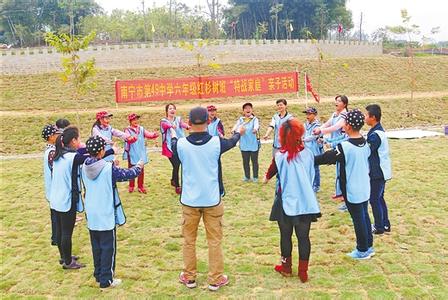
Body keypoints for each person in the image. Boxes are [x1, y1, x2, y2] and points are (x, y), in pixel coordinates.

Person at [170, 106, 244, 291]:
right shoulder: (216, 143)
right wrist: (238, 133)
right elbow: (232, 141)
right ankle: (215, 278)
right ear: (208, 121)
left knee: (189, 240)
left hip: (189, 201)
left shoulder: (181, 144)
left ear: (189, 124)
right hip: (212, 200)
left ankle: (189, 277)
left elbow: (172, 144)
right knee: (215, 241)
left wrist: (172, 132)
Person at [264, 118, 321, 283]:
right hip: (305, 200)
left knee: (285, 235)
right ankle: (303, 272)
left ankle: (287, 268)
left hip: (285, 201)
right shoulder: (308, 154)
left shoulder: (280, 156)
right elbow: (311, 175)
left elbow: (272, 171)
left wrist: (266, 177)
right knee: (304, 237)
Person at [82, 136, 143, 289]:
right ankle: (106, 280)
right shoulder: (108, 169)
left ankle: (98, 274)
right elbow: (128, 174)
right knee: (108, 248)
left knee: (96, 247)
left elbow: (101, 169)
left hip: (92, 213)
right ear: (102, 151)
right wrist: (139, 166)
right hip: (105, 213)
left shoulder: (84, 165)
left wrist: (111, 165)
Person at [49, 126, 115, 269]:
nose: (79, 141)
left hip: (55, 198)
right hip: (66, 200)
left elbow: (85, 151)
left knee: (60, 231)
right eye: (78, 138)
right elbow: (92, 156)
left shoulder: (59, 154)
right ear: (73, 140)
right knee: (66, 232)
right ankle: (68, 262)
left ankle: (64, 256)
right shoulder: (72, 157)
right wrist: (110, 150)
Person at [315, 109, 374, 259]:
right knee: (364, 215)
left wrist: (308, 159)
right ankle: (368, 246)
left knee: (358, 219)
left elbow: (326, 158)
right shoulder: (364, 142)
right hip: (364, 186)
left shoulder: (345, 147)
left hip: (352, 188)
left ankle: (362, 250)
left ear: (348, 126)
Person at [313, 95, 349, 210]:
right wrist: (319, 131)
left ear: (345, 104)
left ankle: (345, 196)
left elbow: (335, 127)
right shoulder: (335, 114)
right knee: (339, 170)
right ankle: (340, 193)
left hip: (342, 144)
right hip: (335, 144)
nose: (336, 102)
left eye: (339, 101)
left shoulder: (345, 115)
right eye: (336, 100)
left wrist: (321, 131)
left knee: (343, 171)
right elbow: (328, 124)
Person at [364, 104, 392, 234]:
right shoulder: (377, 131)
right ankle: (385, 224)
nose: (365, 118)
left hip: (377, 172)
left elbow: (367, 151)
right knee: (380, 198)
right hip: (381, 170)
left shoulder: (375, 135)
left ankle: (379, 227)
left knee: (374, 199)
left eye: (366, 115)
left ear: (373, 117)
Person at [123, 113, 159, 194]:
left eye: (136, 119)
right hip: (132, 152)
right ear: (130, 121)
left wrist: (154, 135)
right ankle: (131, 185)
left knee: (141, 170)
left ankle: (140, 186)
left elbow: (148, 134)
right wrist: (132, 139)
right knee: (131, 169)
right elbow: (127, 138)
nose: (136, 121)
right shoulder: (127, 130)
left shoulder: (141, 129)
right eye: (134, 119)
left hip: (140, 152)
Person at [160, 103, 190, 194]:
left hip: (180, 145)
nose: (172, 110)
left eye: (173, 108)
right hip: (169, 147)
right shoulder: (163, 121)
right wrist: (171, 126)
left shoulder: (178, 119)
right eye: (170, 108)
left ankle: (174, 180)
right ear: (167, 111)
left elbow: (182, 124)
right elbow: (165, 125)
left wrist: (188, 126)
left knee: (177, 165)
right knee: (176, 164)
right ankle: (177, 186)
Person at [41, 124, 61, 246]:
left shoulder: (49, 150)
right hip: (55, 189)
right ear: (50, 137)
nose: (58, 136)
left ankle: (55, 237)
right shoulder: (52, 152)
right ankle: (57, 238)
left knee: (55, 216)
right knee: (57, 218)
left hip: (52, 189)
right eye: (56, 134)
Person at [231, 102, 260, 182]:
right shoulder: (241, 120)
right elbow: (236, 126)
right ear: (243, 111)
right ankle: (247, 177)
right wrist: (233, 130)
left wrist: (255, 129)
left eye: (249, 108)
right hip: (244, 144)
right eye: (246, 108)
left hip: (253, 144)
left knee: (254, 162)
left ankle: (255, 177)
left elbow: (256, 125)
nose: (248, 109)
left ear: (252, 110)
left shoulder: (254, 119)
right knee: (245, 162)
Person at [302, 107, 324, 192]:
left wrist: (304, 139)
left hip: (314, 150)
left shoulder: (318, 125)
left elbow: (314, 136)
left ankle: (316, 185)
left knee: (315, 167)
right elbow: (303, 133)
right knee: (307, 167)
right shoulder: (305, 124)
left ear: (314, 115)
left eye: (309, 114)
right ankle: (309, 183)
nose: (307, 116)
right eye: (306, 114)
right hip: (306, 149)